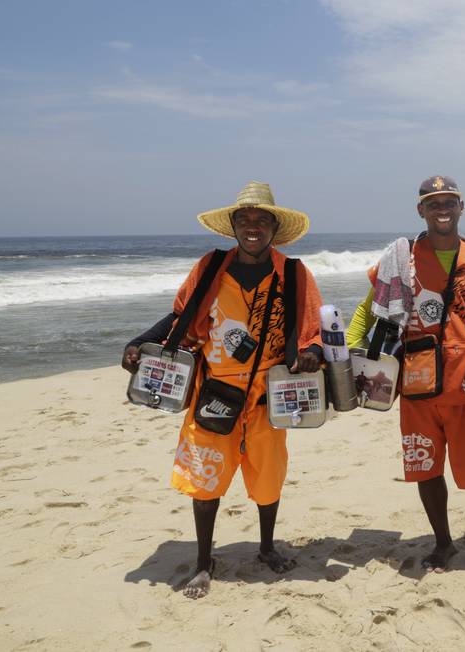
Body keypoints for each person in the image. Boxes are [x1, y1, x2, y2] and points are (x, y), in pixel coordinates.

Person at [121, 182, 324, 599]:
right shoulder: (210, 268)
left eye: (261, 220)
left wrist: (312, 354)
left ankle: (267, 547)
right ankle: (202, 562)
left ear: (273, 227)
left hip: (270, 395)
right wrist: (139, 342)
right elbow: (181, 316)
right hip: (214, 390)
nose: (253, 227)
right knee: (205, 479)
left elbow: (312, 331)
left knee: (269, 478)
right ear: (233, 226)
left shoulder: (293, 272)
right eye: (245, 219)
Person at [346, 175, 465, 572]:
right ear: (421, 210)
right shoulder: (401, 258)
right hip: (417, 382)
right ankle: (443, 542)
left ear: (461, 208)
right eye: (433, 204)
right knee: (425, 466)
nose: (442, 210)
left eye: (449, 202)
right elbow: (370, 309)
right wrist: (350, 350)